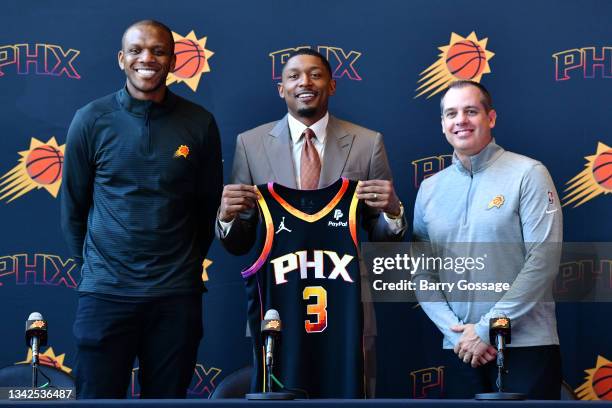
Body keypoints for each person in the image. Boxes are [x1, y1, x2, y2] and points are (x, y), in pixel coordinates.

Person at [216, 48, 406, 397]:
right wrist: (227, 218)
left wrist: (392, 213)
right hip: (277, 306)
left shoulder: (368, 143)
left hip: (346, 309)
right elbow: (241, 241)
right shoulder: (250, 143)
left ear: (332, 85)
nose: (305, 82)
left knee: (349, 395)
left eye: (316, 74)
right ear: (281, 88)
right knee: (276, 396)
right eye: (294, 76)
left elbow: (381, 239)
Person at [60, 20, 222, 399]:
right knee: (97, 400)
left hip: (176, 296)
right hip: (106, 295)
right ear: (121, 59)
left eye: (158, 51)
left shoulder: (199, 123)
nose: (146, 58)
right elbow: (73, 207)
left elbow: (206, 208)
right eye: (136, 50)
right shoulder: (90, 119)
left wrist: (181, 265)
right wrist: (99, 270)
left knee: (166, 401)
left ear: (173, 59)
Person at [412, 80, 562, 399]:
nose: (460, 120)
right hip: (462, 351)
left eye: (471, 111)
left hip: (526, 348)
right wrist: (458, 336)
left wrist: (485, 329)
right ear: (442, 125)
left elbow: (543, 261)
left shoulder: (529, 173)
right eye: (451, 113)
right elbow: (422, 274)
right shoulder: (429, 189)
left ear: (490, 118)